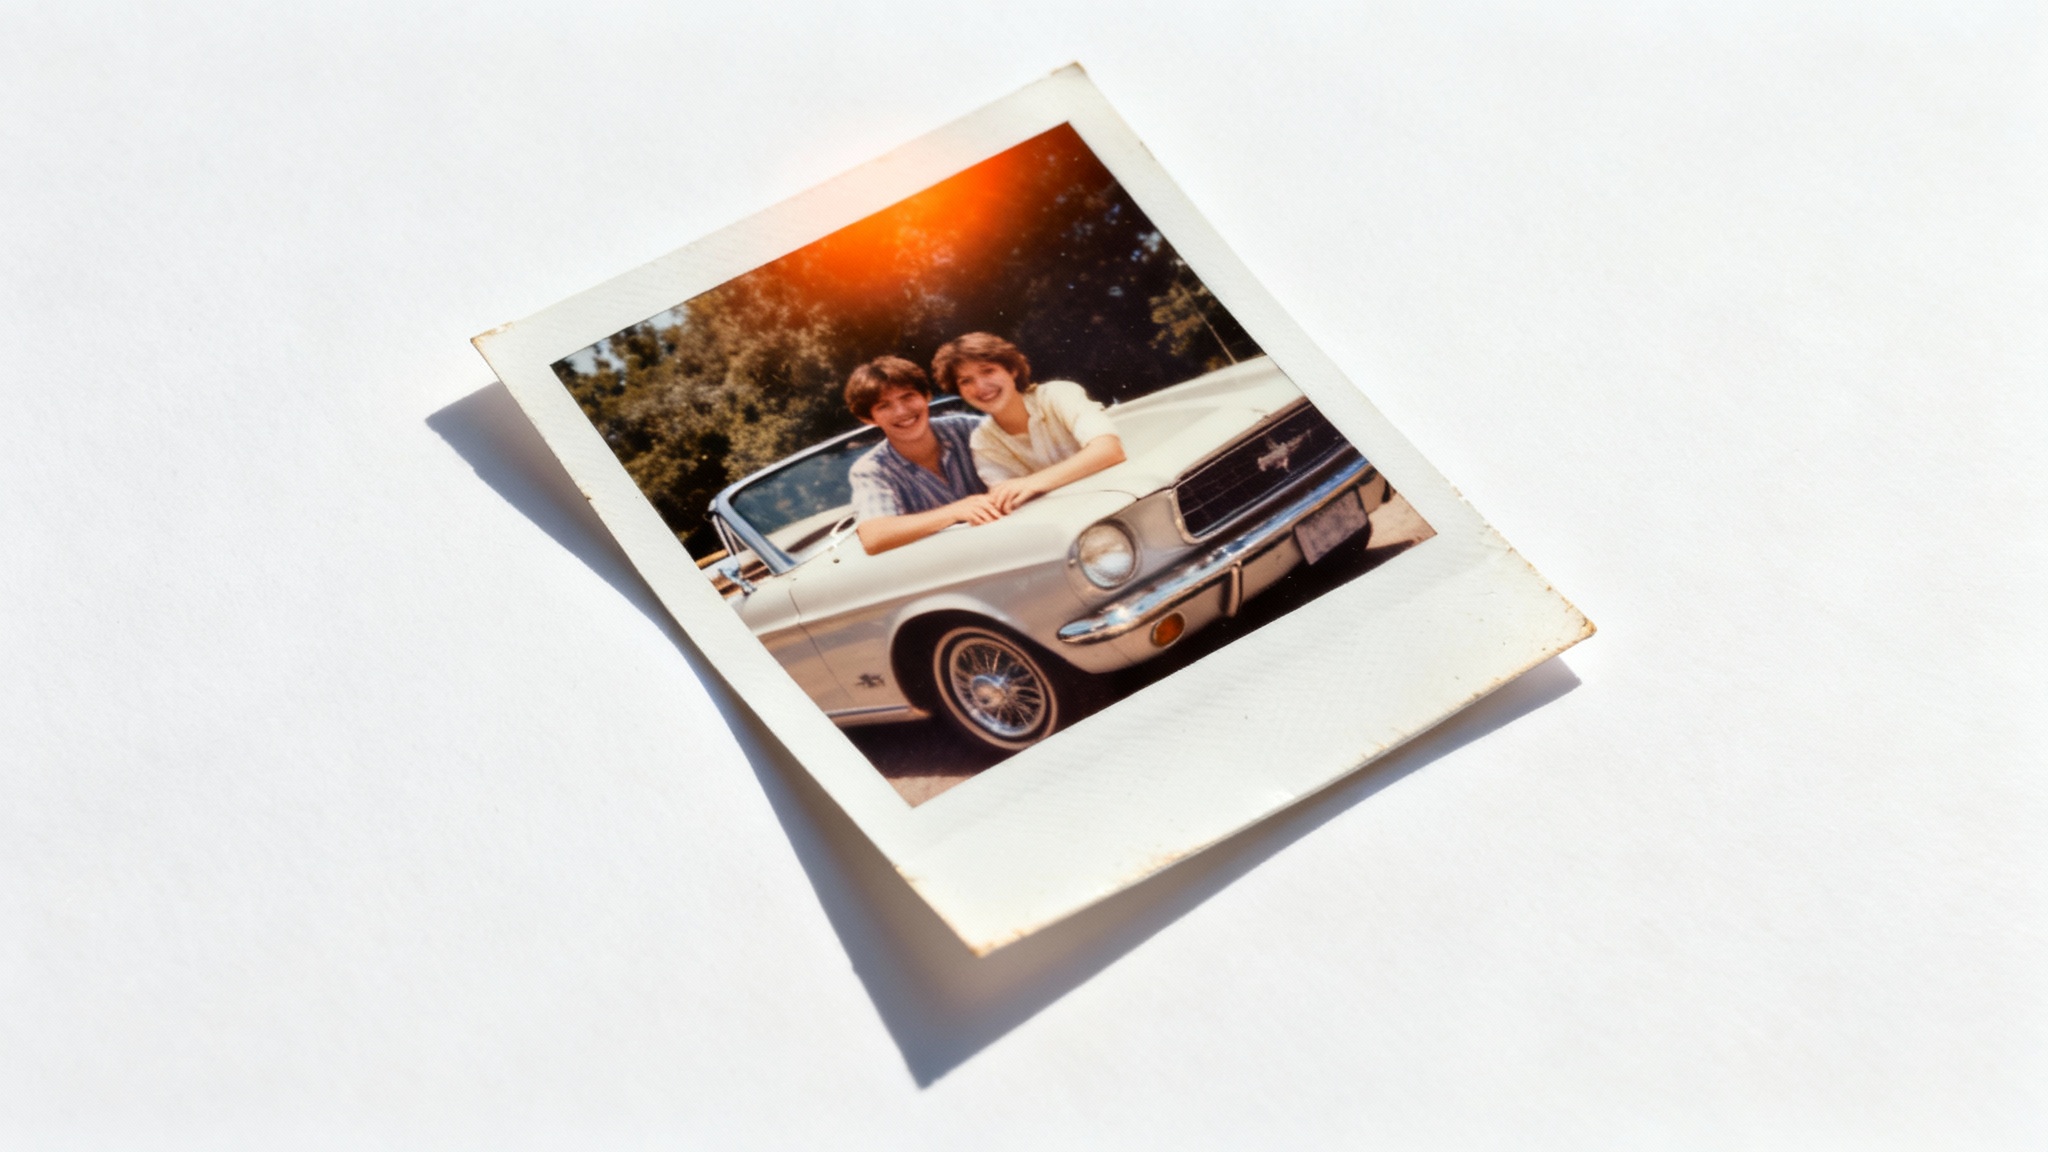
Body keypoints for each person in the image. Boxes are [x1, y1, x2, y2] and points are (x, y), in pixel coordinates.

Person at [931, 333, 1126, 513]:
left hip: (1119, 500)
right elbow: (1006, 499)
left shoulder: (1057, 395)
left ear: (1012, 370)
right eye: (966, 381)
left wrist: (1033, 482)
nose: (980, 387)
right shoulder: (982, 440)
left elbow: (1109, 450)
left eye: (988, 371)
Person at [842, 355, 1004, 555]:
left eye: (907, 396)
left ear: (926, 396)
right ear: (869, 418)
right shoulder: (872, 469)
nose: (901, 411)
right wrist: (956, 511)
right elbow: (873, 536)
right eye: (884, 406)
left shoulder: (968, 428)